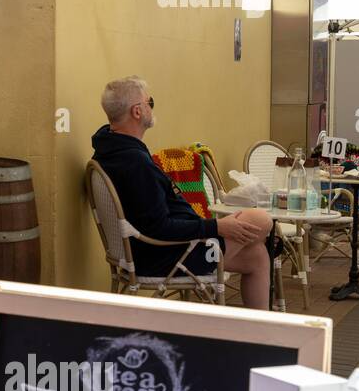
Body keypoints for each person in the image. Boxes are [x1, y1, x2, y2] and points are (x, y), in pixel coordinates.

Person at [91, 76, 272, 309]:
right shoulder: (135, 163)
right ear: (137, 112)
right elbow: (160, 227)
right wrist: (216, 227)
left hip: (156, 250)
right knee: (261, 219)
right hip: (169, 255)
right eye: (150, 102)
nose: (151, 107)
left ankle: (257, 333)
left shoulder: (111, 149)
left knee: (256, 256)